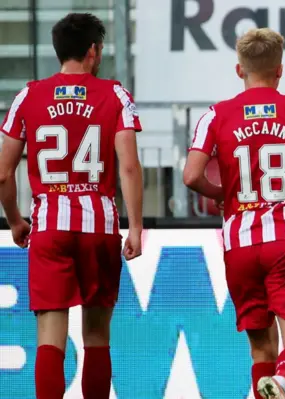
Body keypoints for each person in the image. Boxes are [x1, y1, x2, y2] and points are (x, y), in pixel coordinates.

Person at [182, 27, 285, 399]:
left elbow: (191, 175)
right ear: (280, 70)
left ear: (238, 70)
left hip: (238, 244)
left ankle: (270, 383)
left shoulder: (216, 115)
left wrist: (223, 196)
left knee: (261, 350)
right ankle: (280, 382)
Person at [0, 13, 144, 399]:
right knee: (96, 335)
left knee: (50, 336)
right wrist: (135, 228)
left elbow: (3, 173)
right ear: (93, 51)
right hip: (99, 225)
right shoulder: (114, 95)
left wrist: (15, 220)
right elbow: (129, 166)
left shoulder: (28, 96)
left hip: (49, 227)